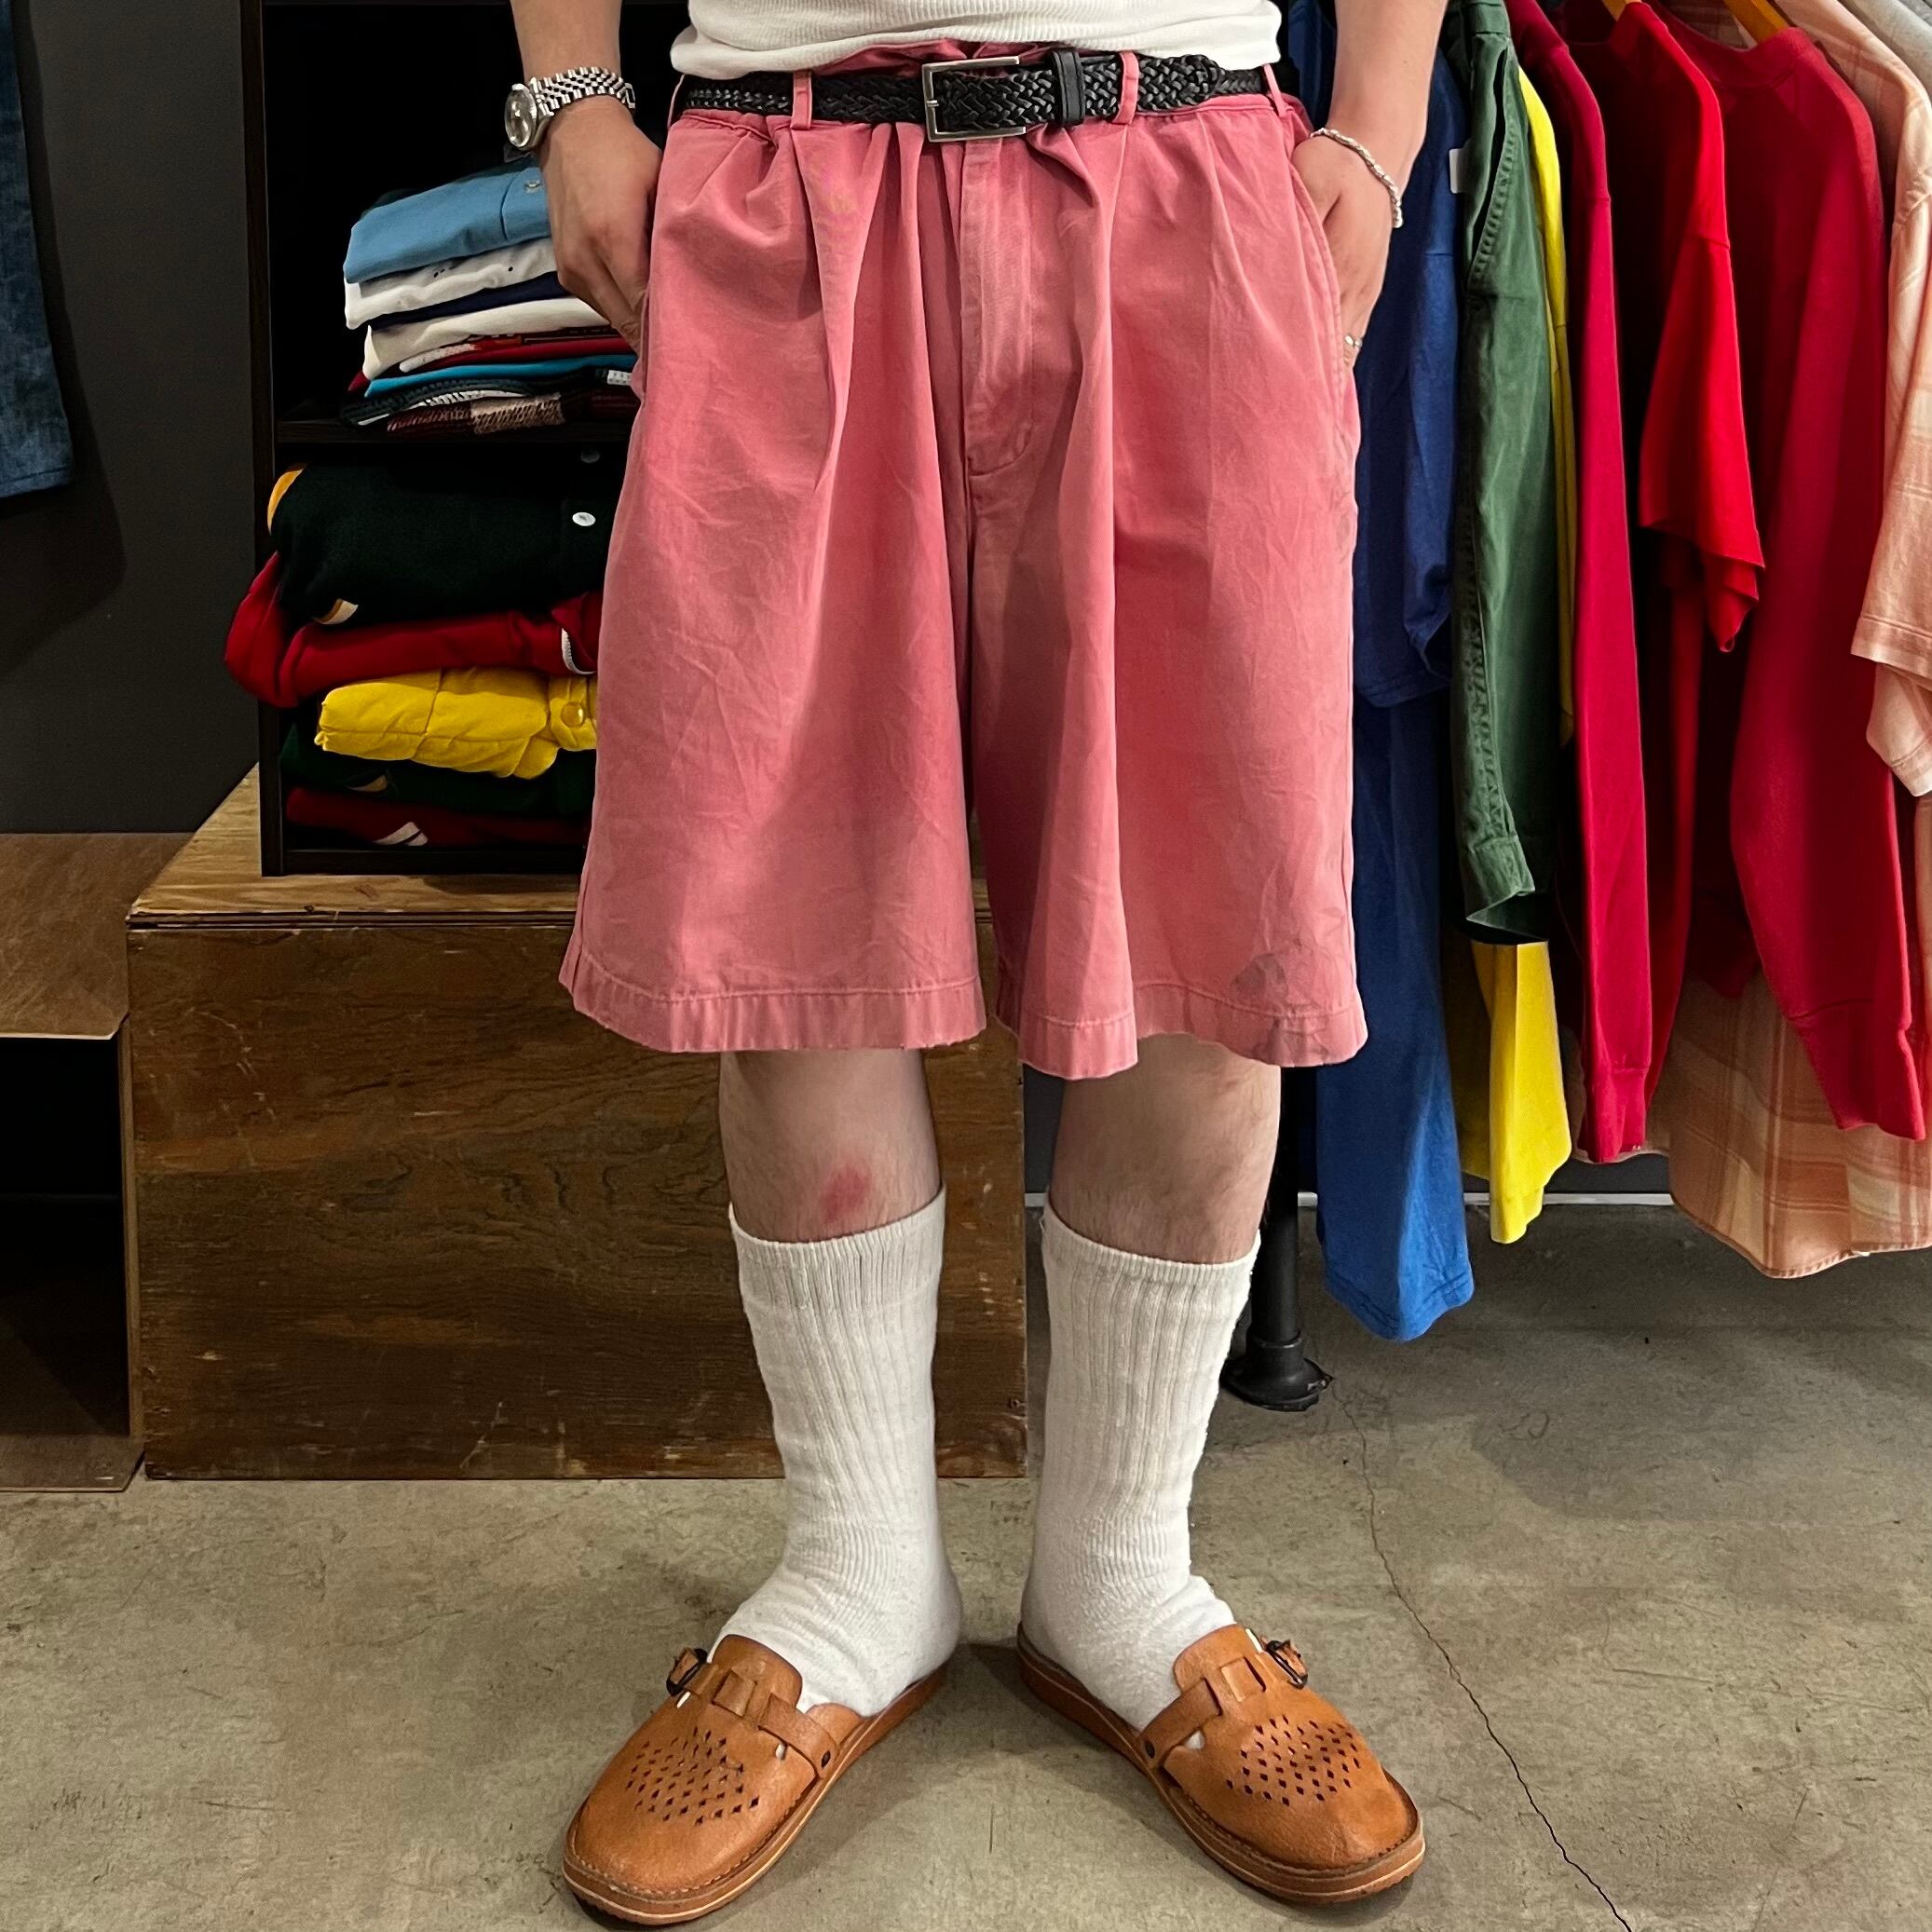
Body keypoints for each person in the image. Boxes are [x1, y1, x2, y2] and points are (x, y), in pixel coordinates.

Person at [506, 0, 1442, 1918]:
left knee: (1205, 917)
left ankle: (1120, 1576)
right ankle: (858, 1575)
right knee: (791, 920)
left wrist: (1381, 123)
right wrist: (572, 99)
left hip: (1183, 160)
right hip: (783, 174)